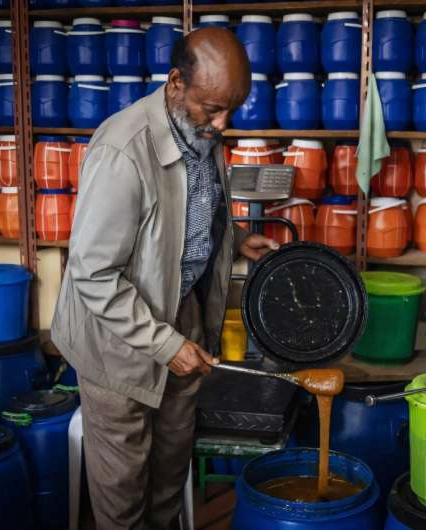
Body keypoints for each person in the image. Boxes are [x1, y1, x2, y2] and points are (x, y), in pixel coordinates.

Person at [51, 28, 279, 529]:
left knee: (170, 472)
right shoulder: (123, 150)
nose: (223, 124)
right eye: (213, 109)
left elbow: (184, 208)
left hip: (183, 315)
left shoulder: (199, 130)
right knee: (125, 492)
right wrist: (163, 343)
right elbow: (93, 274)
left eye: (232, 110)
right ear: (176, 82)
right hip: (118, 340)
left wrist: (234, 237)